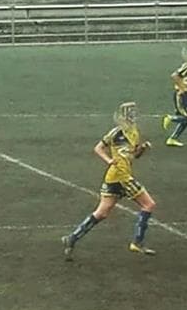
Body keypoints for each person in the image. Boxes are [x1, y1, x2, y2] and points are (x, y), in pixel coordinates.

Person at [62, 102, 156, 259]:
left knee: (102, 212)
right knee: (149, 204)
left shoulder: (134, 133)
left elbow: (134, 155)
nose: (132, 117)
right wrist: (109, 160)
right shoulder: (115, 133)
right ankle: (137, 242)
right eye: (130, 114)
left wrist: (142, 149)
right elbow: (98, 148)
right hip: (121, 177)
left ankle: (72, 238)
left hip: (115, 177)